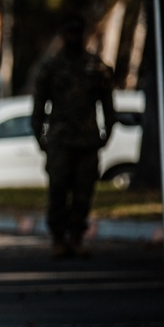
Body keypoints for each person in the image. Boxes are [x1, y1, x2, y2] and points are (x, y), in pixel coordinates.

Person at [31, 17, 116, 258]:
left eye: (77, 33)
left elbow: (108, 104)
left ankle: (76, 236)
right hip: (60, 140)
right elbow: (39, 105)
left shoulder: (95, 67)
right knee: (58, 189)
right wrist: (40, 136)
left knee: (83, 191)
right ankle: (58, 237)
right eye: (69, 33)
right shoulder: (51, 67)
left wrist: (107, 133)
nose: (73, 38)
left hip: (87, 140)